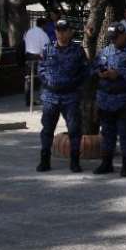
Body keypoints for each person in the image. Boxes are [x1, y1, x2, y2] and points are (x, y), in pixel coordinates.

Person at [35, 20, 90, 172]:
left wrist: (74, 84)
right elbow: (41, 69)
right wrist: (49, 82)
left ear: (70, 32)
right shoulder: (47, 49)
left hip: (70, 97)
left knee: (74, 130)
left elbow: (85, 71)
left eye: (64, 30)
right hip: (50, 97)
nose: (61, 33)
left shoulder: (77, 50)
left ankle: (74, 161)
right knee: (47, 129)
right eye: (58, 30)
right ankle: (44, 160)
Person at [93, 23, 126, 177]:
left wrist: (119, 73)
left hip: (124, 100)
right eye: (111, 38)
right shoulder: (105, 51)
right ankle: (106, 163)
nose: (113, 41)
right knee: (107, 134)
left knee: (125, 134)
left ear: (124, 35)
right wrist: (100, 73)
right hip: (105, 100)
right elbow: (94, 67)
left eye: (116, 38)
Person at [3, 0, 41, 64]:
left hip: (12, 26)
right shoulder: (22, 0)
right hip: (22, 26)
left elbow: (5, 14)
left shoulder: (7, 0)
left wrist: (7, 24)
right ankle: (21, 61)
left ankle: (16, 61)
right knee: (22, 43)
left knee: (15, 45)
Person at [24, 18, 51, 106]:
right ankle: (43, 98)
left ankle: (28, 101)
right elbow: (46, 48)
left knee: (28, 79)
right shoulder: (43, 34)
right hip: (38, 57)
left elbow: (24, 42)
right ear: (43, 25)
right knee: (43, 77)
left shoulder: (29, 32)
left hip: (28, 56)